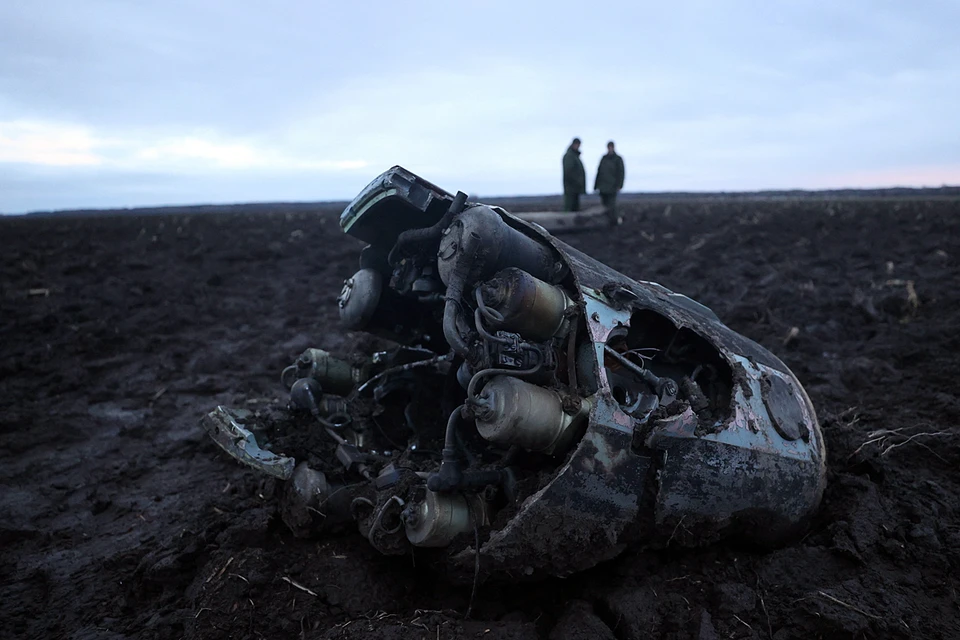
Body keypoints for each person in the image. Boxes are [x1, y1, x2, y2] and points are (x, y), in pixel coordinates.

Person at [594, 141, 625, 224]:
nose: (610, 148)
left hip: (612, 187)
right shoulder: (603, 159)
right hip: (603, 187)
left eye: (611, 147)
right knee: (604, 206)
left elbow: (621, 172)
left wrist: (619, 185)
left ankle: (614, 221)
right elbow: (599, 172)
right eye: (609, 147)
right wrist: (596, 185)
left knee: (612, 206)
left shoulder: (617, 159)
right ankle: (605, 221)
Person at [562, 138, 586, 212]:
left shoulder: (574, 156)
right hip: (571, 186)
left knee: (575, 207)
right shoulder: (570, 156)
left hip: (575, 187)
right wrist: (576, 181)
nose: (578, 146)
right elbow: (568, 171)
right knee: (569, 206)